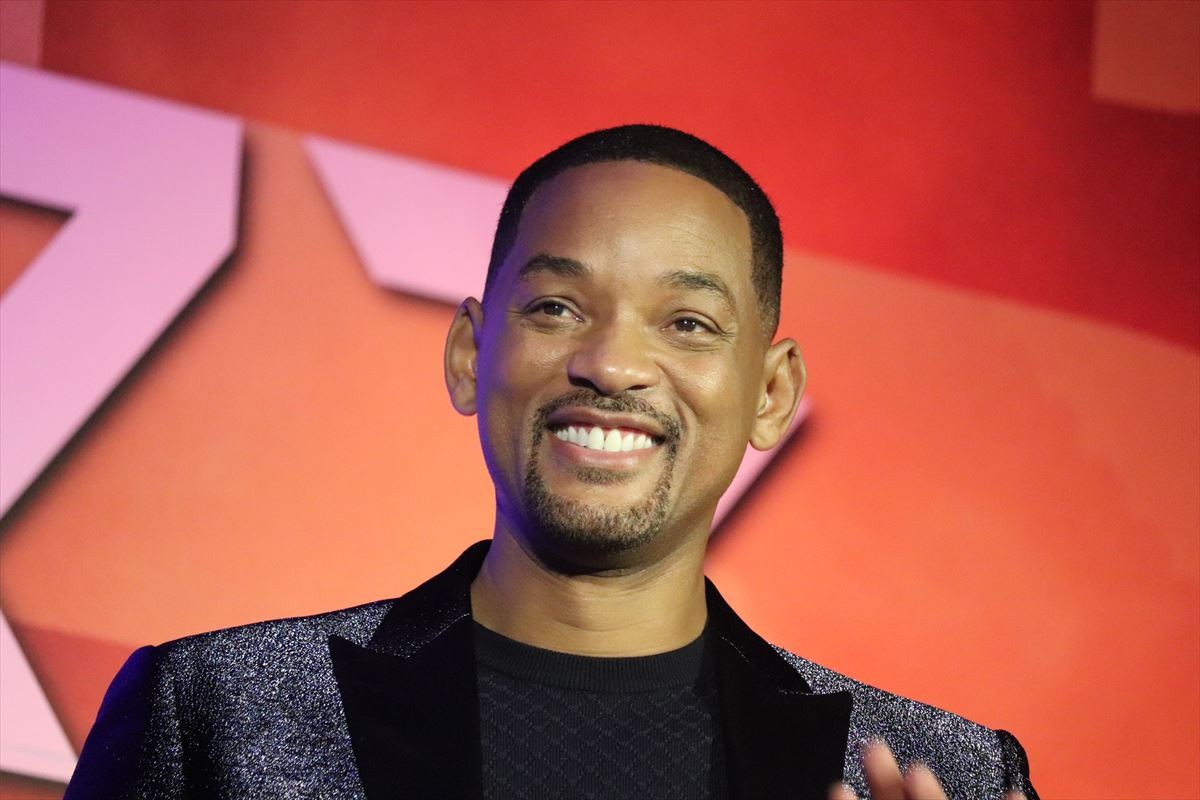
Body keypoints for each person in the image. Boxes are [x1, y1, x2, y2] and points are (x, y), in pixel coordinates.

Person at [65, 125, 1038, 800]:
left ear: (771, 394)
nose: (610, 363)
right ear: (468, 355)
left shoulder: (949, 772)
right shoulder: (218, 713)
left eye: (688, 323)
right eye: (556, 308)